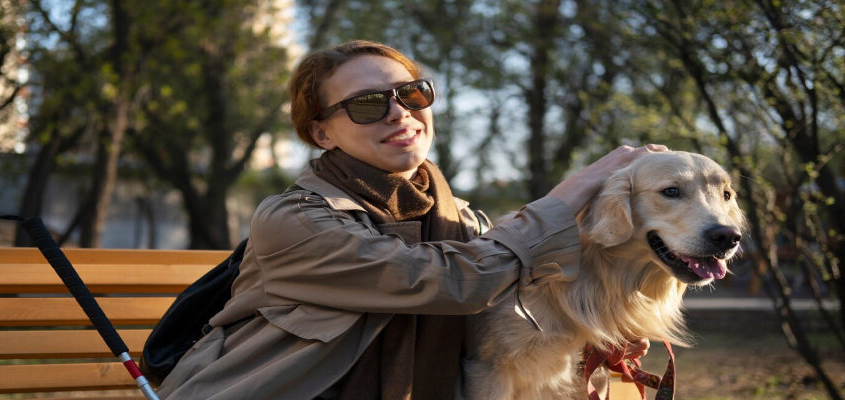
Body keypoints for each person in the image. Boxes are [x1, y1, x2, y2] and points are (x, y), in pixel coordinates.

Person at [157, 39, 660, 399]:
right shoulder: (293, 219)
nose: (400, 113)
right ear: (322, 133)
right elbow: (448, 281)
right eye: (368, 105)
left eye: (412, 93)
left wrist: (600, 326)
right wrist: (571, 192)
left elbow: (510, 316)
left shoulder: (462, 219)